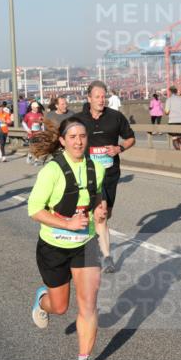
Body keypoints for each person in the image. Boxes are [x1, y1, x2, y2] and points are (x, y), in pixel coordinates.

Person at [27, 116, 109, 360]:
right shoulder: (51, 171)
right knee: (60, 307)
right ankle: (42, 300)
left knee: (89, 305)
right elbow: (34, 210)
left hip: (84, 244)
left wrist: (100, 207)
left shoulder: (97, 167)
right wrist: (69, 222)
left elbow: (96, 195)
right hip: (53, 246)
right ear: (62, 141)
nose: (78, 141)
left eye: (82, 136)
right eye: (72, 137)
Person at [74, 81, 135, 272]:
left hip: (110, 174)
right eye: (97, 96)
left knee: (105, 214)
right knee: (100, 214)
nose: (101, 100)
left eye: (103, 96)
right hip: (87, 174)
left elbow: (131, 137)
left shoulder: (115, 117)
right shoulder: (78, 119)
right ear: (89, 98)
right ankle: (107, 257)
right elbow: (67, 141)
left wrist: (119, 148)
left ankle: (97, 240)